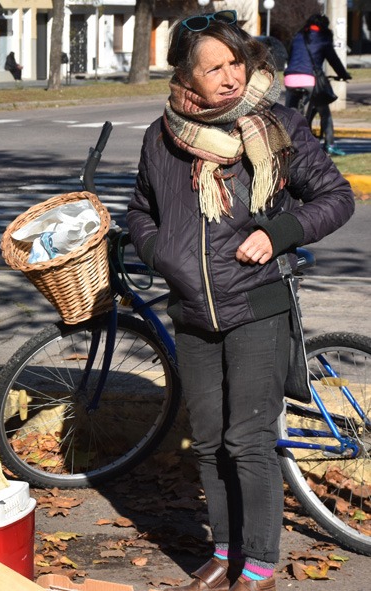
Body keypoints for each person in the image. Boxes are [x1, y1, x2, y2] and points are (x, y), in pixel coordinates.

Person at [126, 10, 354, 591]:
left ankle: (258, 564)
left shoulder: (274, 124)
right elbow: (141, 211)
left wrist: (277, 233)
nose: (229, 77)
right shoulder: (162, 137)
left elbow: (335, 196)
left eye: (235, 62)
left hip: (258, 304)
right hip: (194, 311)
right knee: (207, 442)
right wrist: (160, 254)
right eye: (213, 68)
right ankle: (224, 551)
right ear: (186, 79)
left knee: (246, 439)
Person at [283, 14, 351, 156]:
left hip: (290, 78)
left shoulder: (298, 36)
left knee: (289, 114)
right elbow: (333, 60)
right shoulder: (322, 38)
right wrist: (344, 74)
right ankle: (330, 145)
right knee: (325, 112)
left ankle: (285, 145)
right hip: (309, 80)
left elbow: (291, 57)